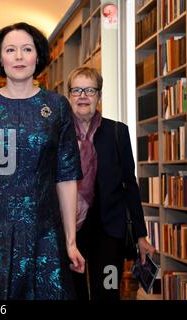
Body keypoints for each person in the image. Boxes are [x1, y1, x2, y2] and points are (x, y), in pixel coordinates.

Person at [0, 22, 85, 300]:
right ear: (0, 58)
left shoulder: (58, 106)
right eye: (10, 50)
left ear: (38, 56)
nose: (19, 57)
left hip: (43, 234)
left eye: (27, 49)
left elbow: (66, 176)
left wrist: (71, 241)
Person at [66, 66, 156, 300]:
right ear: (69, 96)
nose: (83, 96)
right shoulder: (59, 135)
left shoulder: (117, 132)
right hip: (69, 231)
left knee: (107, 291)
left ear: (99, 96)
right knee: (72, 293)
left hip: (110, 233)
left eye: (89, 90)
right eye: (77, 90)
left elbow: (130, 184)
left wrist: (140, 234)